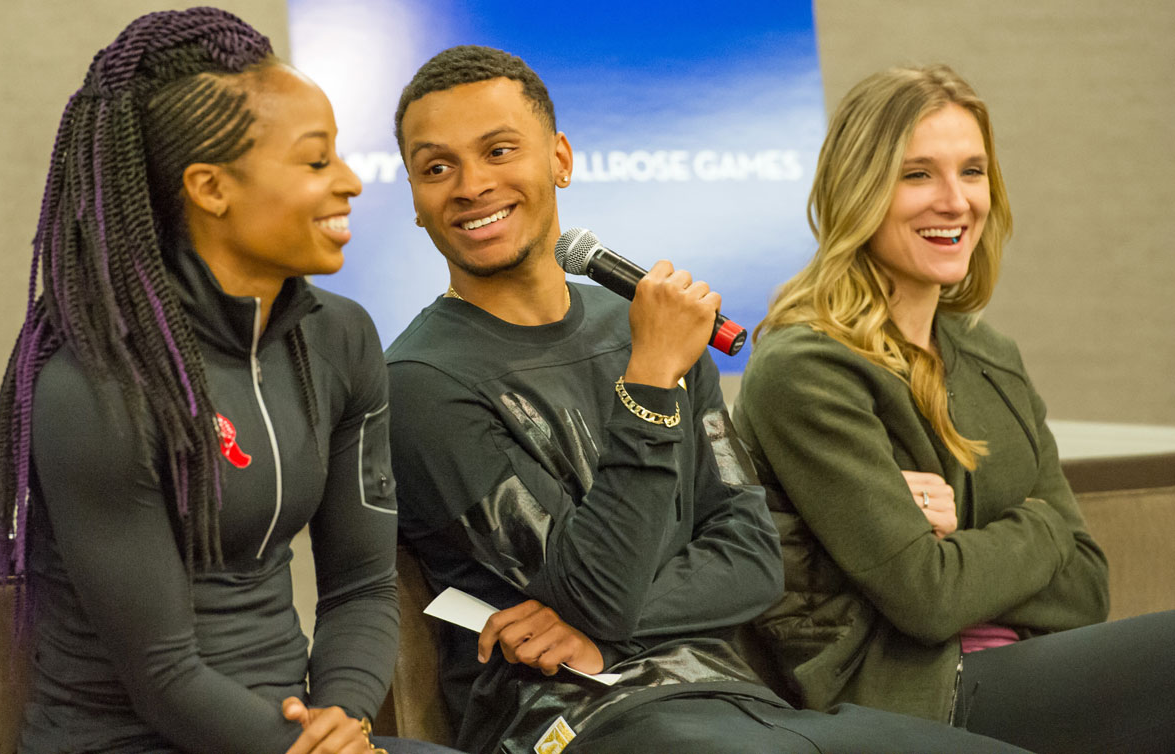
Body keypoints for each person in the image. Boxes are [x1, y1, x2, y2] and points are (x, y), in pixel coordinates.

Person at [386, 45, 1034, 754]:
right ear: (415, 198)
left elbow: (753, 560)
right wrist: (651, 381)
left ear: (560, 160)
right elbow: (594, 590)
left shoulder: (646, 319)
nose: (471, 184)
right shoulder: (421, 381)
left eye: (499, 150)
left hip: (734, 697)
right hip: (578, 720)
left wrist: (609, 613)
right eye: (436, 167)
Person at [0, 9, 460, 754]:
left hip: (300, 739)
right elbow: (164, 674)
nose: (348, 183)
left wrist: (346, 721)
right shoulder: (97, 383)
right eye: (314, 162)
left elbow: (361, 587)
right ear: (210, 187)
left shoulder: (340, 338)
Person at [734, 64, 1175, 754]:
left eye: (972, 171)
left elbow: (1089, 580)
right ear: (860, 191)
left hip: (1031, 658)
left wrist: (979, 535)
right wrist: (1040, 527)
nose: (955, 200)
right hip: (914, 696)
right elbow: (927, 597)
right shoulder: (806, 371)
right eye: (917, 175)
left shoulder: (988, 352)